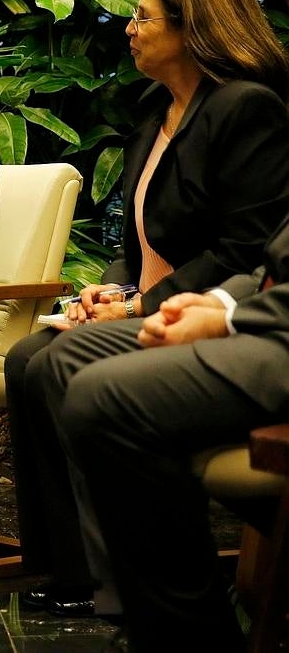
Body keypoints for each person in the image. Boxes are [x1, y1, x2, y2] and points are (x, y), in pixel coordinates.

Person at [5, 0, 289, 617]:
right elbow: (132, 243)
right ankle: (69, 569)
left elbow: (246, 248)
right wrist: (109, 290)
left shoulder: (246, 110)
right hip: (148, 304)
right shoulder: (153, 112)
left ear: (190, 29)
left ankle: (124, 582)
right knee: (25, 359)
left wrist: (142, 305)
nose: (128, 28)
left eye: (141, 16)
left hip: (202, 310)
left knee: (58, 366)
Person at [53, 212, 289, 651]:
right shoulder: (143, 140)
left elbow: (238, 245)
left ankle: (188, 636)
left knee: (105, 396)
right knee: (69, 354)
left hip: (278, 336)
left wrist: (228, 318)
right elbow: (272, 265)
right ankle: (123, 600)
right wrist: (219, 302)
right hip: (261, 315)